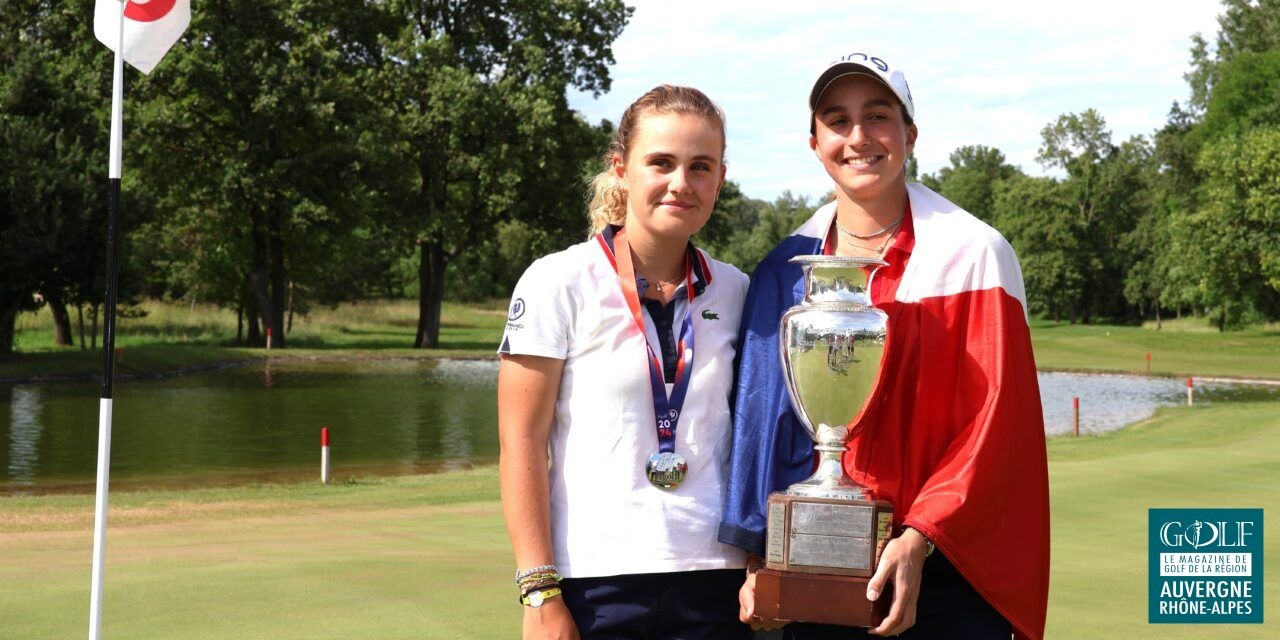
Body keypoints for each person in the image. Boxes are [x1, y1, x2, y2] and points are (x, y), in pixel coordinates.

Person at [718, 52, 1050, 640]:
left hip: (949, 567)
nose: (858, 137)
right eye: (837, 120)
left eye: (877, 116)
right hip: (815, 562)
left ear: (909, 134)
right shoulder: (782, 270)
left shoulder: (975, 253)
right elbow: (759, 422)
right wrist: (756, 556)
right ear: (815, 142)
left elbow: (997, 422)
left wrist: (919, 537)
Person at [498, 84, 752, 640]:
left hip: (716, 583)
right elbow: (521, 441)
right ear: (621, 168)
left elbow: (752, 442)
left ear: (720, 179)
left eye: (700, 166)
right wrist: (539, 592)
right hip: (594, 584)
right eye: (661, 162)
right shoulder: (556, 281)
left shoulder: (736, 289)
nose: (680, 183)